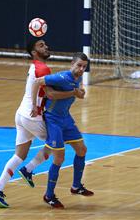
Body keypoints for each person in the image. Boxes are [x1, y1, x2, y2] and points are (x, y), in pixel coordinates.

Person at [0, 39, 82, 208]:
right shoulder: (43, 68)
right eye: (41, 45)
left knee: (19, 156)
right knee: (58, 142)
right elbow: (51, 94)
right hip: (33, 117)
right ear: (33, 52)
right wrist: (73, 92)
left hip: (21, 115)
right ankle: (29, 169)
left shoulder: (33, 66)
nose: (46, 47)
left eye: (45, 44)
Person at [31, 52, 94, 209]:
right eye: (79, 65)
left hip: (66, 118)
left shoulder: (77, 78)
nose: (81, 69)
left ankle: (76, 186)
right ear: (72, 63)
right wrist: (34, 105)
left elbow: (77, 92)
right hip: (53, 120)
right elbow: (37, 82)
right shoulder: (61, 77)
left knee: (82, 150)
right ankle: (49, 195)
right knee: (59, 158)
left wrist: (80, 92)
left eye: (84, 67)